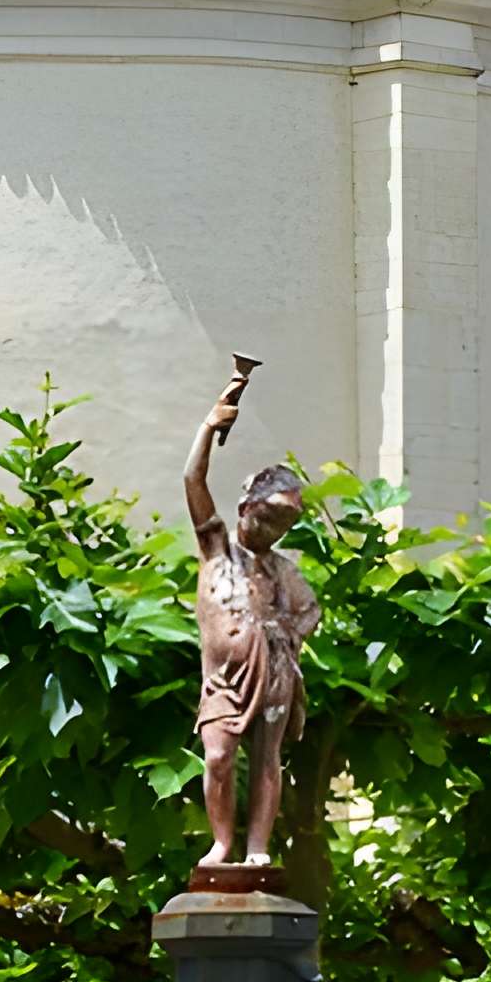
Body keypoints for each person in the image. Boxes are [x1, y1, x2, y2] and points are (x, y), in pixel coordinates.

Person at [184, 359, 318, 869]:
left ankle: (257, 849)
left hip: (274, 671)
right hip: (224, 678)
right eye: (268, 518)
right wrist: (207, 428)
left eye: (283, 524)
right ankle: (221, 843)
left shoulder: (281, 570)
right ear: (246, 508)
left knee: (267, 759)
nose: (274, 532)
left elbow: (309, 612)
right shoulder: (217, 547)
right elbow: (192, 480)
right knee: (218, 755)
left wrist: (280, 633)